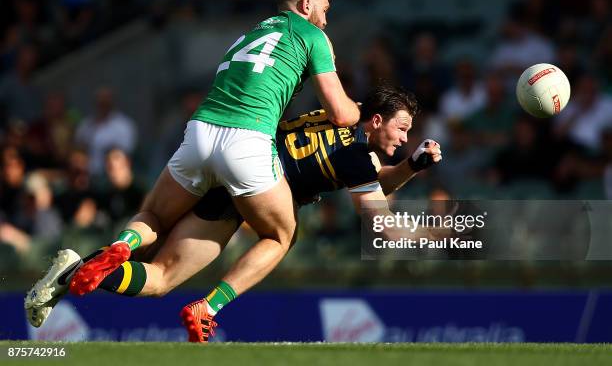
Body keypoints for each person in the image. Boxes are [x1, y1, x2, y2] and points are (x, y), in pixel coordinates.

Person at [26, 0, 360, 328]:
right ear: (305, 4)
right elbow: (341, 114)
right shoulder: (313, 35)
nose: (326, 19)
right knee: (281, 235)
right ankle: (210, 307)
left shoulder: (251, 33)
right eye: (324, 9)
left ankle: (114, 249)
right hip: (247, 143)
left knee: (154, 231)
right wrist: (358, 111)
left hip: (200, 133)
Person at [25, 84, 442, 342]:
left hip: (226, 170)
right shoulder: (359, 158)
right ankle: (209, 307)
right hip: (255, 184)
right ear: (375, 120)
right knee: (282, 237)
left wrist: (410, 167)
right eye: (402, 128)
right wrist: (437, 235)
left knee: (161, 277)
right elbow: (379, 220)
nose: (406, 137)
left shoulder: (336, 116)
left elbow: (368, 176)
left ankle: (80, 267)